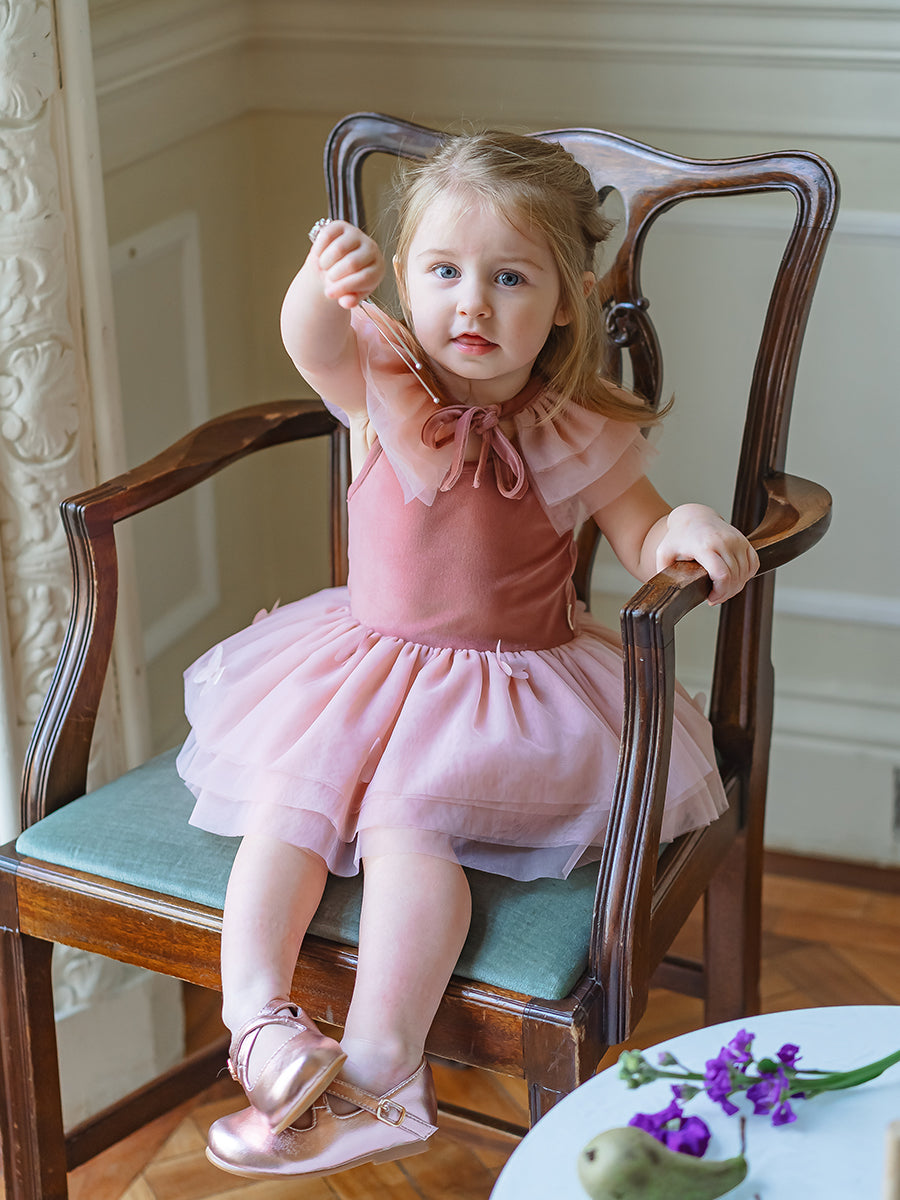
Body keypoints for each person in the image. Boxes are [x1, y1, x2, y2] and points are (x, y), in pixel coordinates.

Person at [176, 129, 759, 1181]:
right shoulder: (380, 380)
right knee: (286, 811)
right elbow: (310, 339)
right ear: (402, 280)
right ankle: (260, 1027)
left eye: (510, 278)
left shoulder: (577, 427)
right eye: (443, 272)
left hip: (508, 691)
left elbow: (643, 534)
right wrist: (320, 284)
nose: (472, 305)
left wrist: (689, 526)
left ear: (569, 300)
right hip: (361, 667)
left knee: (409, 827)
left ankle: (383, 1073)